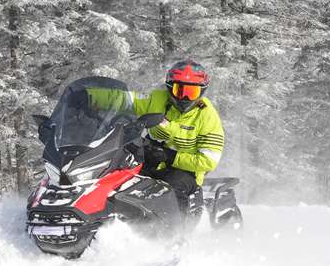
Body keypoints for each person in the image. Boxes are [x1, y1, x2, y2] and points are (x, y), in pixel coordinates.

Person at [73, 60, 225, 221]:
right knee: (118, 179)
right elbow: (125, 99)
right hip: (150, 159)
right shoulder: (157, 99)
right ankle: (105, 222)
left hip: (186, 172)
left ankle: (177, 235)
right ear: (169, 88)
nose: (185, 97)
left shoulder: (208, 117)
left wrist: (171, 157)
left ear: (202, 92)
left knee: (172, 189)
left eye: (191, 92)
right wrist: (90, 97)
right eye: (179, 90)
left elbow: (208, 161)